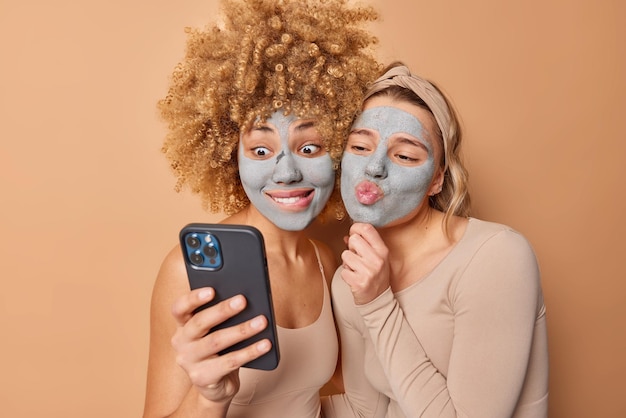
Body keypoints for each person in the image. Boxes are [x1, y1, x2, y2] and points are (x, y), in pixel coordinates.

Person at [142, 1, 381, 417]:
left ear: (341, 153)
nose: (286, 172)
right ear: (231, 158)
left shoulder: (325, 262)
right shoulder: (188, 272)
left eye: (310, 147)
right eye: (260, 149)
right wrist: (209, 396)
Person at [321, 62, 549, 417]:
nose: (375, 167)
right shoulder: (349, 277)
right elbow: (367, 410)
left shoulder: (496, 257)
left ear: (437, 180)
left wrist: (378, 303)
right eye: (360, 147)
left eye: (405, 155)